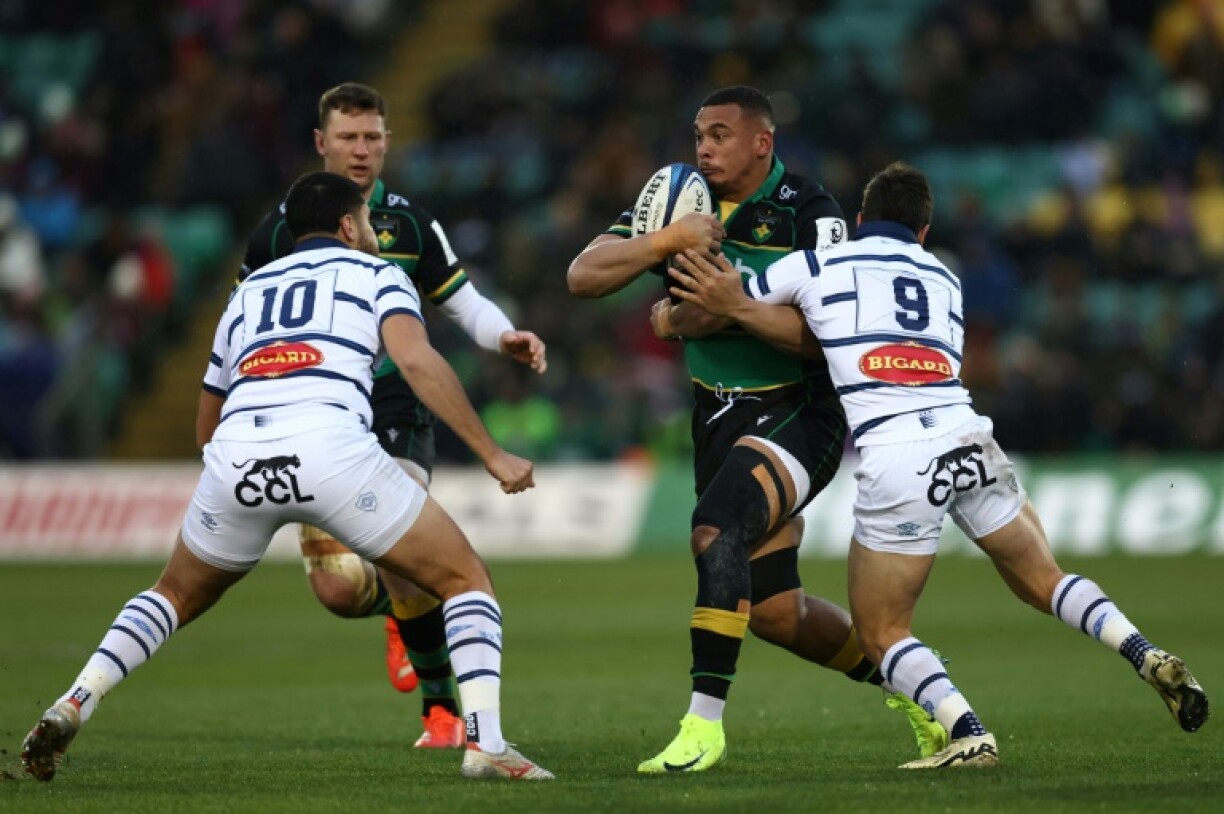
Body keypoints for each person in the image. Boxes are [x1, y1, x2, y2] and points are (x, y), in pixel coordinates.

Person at [667, 160, 1210, 768]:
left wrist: (693, 309)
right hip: (967, 433)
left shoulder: (822, 261)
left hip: (897, 451)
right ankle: (1141, 650)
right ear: (923, 232)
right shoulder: (945, 279)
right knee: (1045, 579)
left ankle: (968, 731)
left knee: (881, 631)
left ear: (860, 220)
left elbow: (732, 308)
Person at [20, 171, 553, 782]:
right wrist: (492, 453)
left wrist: (244, 484)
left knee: (171, 595)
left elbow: (206, 419)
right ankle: (485, 746)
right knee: (464, 579)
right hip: (331, 447)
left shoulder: (248, 292)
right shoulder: (380, 274)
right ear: (351, 225)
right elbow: (415, 361)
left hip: (238, 456)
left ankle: (73, 701)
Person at [567, 86, 945, 774]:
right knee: (775, 612)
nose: (704, 148)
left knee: (716, 530)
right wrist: (666, 242)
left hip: (799, 410)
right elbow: (583, 275)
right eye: (698, 135)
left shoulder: (810, 213)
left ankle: (703, 726)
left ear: (761, 143)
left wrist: (710, 311)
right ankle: (929, 695)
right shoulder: (679, 200)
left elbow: (820, 334)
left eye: (719, 135)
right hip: (715, 412)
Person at [241, 83, 547, 749]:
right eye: (348, 138)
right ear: (321, 144)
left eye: (372, 137)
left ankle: (440, 713)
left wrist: (505, 336)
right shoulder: (278, 231)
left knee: (410, 561)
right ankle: (394, 608)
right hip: (313, 415)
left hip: (392, 408)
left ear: (387, 142)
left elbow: (463, 303)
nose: (361, 150)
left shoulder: (409, 224)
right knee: (341, 592)